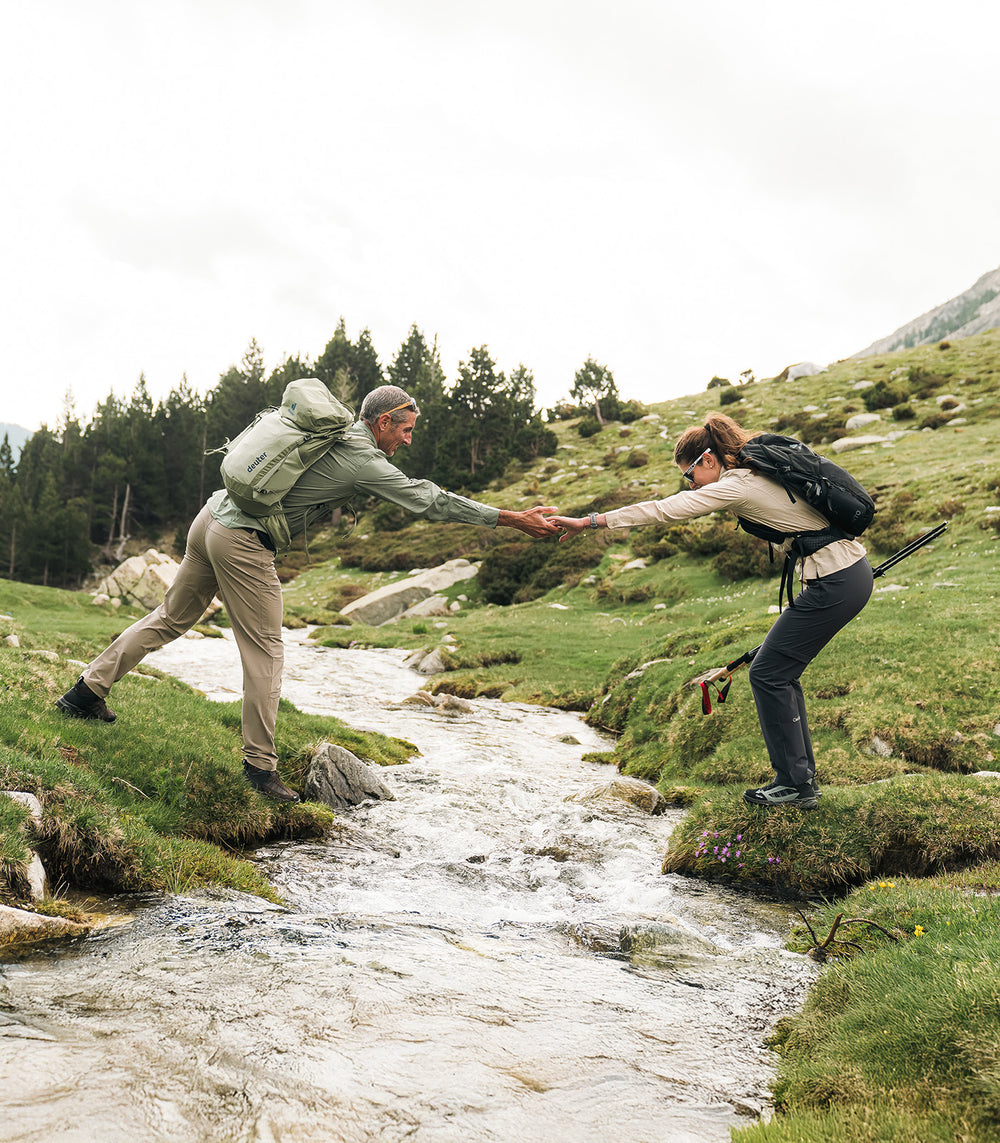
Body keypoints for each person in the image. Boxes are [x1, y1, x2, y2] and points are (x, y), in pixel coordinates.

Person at [57, 384, 560, 802]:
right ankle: (260, 769)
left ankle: (84, 693)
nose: (407, 440)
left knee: (168, 618)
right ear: (383, 421)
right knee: (266, 653)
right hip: (242, 540)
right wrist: (510, 518)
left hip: (210, 517)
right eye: (405, 430)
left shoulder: (329, 432)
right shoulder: (362, 458)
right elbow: (427, 499)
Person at [549, 412, 873, 810]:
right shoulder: (753, 475)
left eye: (690, 475)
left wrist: (590, 522)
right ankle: (798, 780)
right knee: (778, 672)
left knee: (769, 673)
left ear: (707, 459)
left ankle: (795, 783)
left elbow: (664, 510)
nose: (690, 484)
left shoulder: (736, 485)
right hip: (844, 574)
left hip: (837, 580)